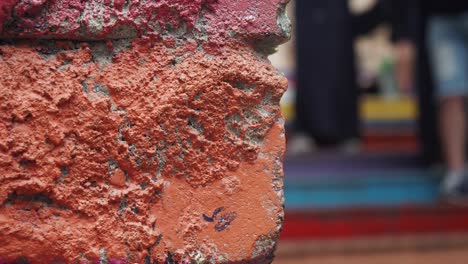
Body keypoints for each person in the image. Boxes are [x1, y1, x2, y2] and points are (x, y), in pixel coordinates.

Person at [391, 0, 468, 198]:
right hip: (440, 16)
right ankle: (456, 173)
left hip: (442, 17)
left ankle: (456, 172)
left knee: (450, 95)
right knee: (449, 94)